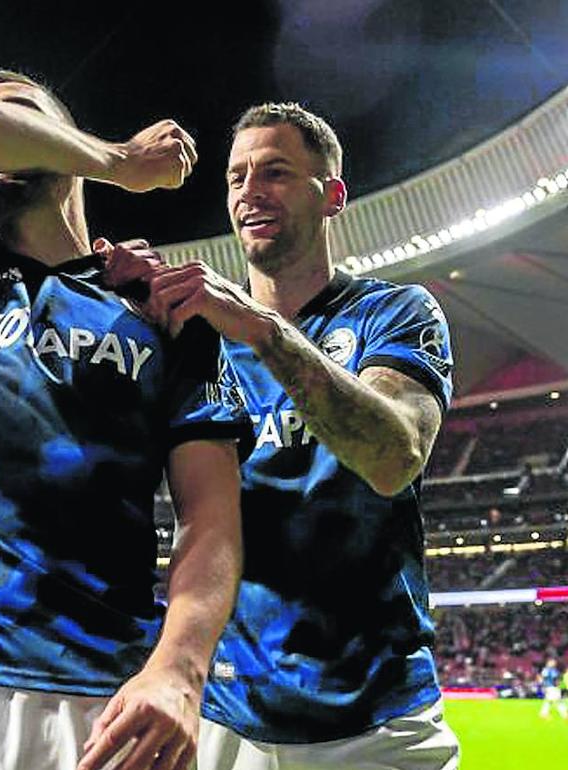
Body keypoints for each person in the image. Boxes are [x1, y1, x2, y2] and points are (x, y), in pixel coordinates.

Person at [0, 69, 250, 770]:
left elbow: (212, 515)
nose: (4, 139)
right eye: (3, 127)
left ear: (60, 138)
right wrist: (123, 162)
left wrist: (180, 670)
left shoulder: (160, 310)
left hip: (95, 697)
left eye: (25, 117)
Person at [104, 102, 460, 769]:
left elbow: (395, 456)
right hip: (226, 717)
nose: (250, 191)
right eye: (236, 177)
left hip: (375, 719)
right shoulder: (195, 343)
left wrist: (263, 331)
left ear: (332, 195)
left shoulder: (393, 313)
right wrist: (97, 298)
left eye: (275, 172)